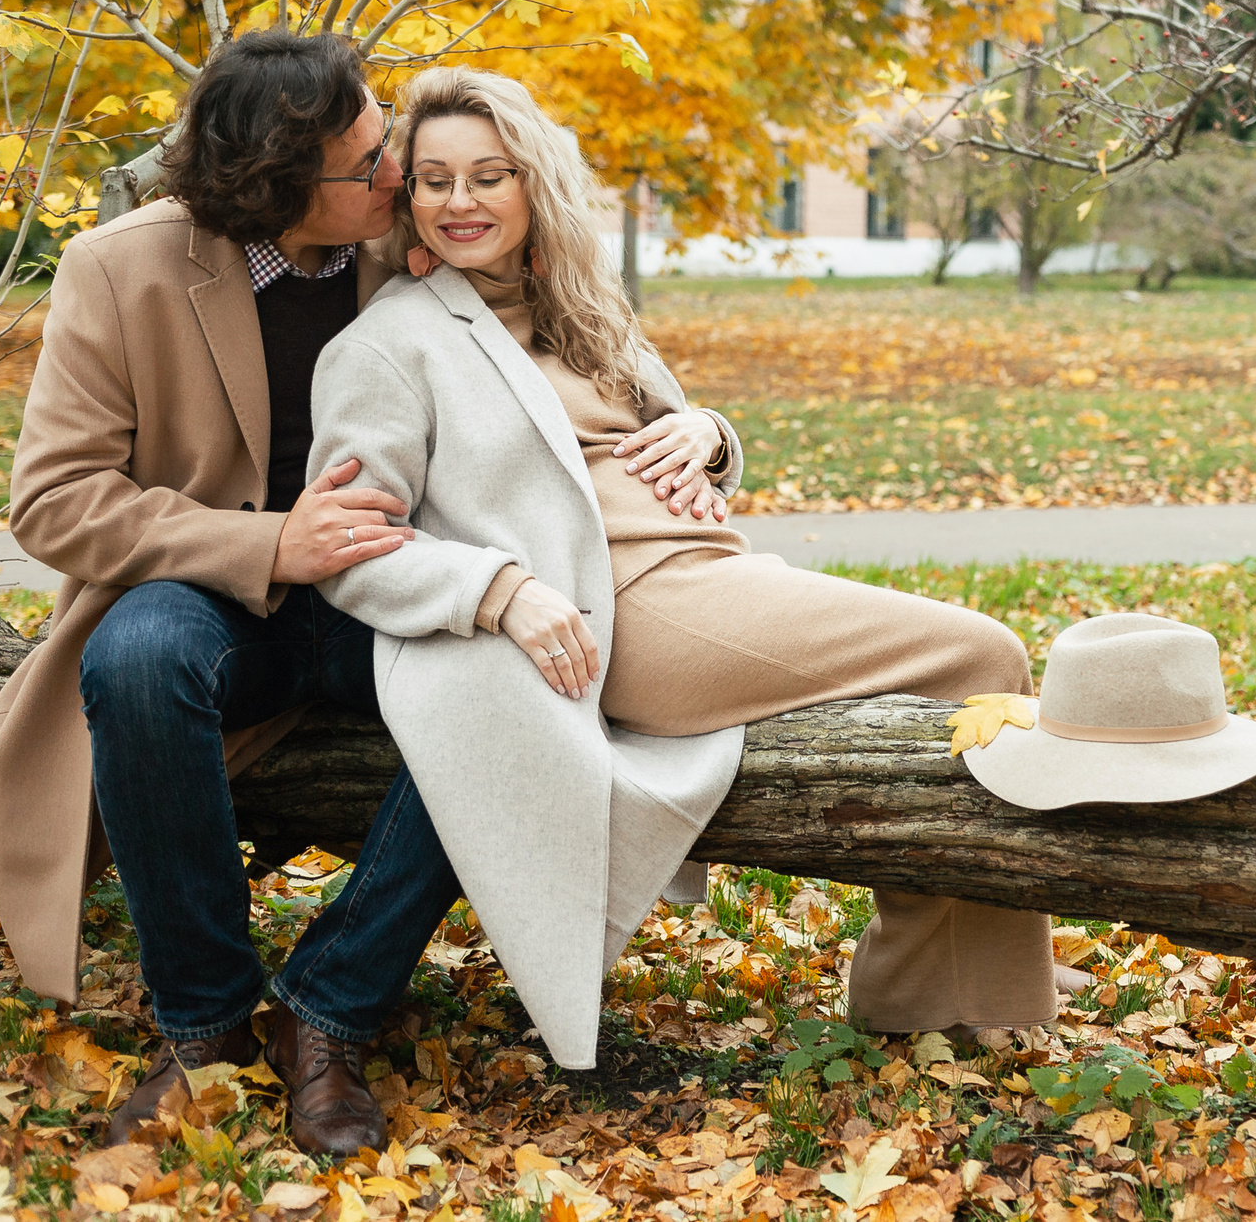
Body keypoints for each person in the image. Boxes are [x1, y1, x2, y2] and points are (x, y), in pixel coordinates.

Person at [306, 66, 1060, 1071]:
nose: (460, 203)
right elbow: (353, 548)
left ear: (535, 183)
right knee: (981, 651)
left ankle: (945, 988)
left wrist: (707, 433)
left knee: (969, 663)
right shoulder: (391, 343)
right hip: (623, 615)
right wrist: (500, 591)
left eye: (489, 176)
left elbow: (674, 435)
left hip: (710, 575)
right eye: (435, 180)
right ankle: (934, 995)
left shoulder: (578, 305)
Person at [0, 31, 462, 1154]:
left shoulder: (421, 245)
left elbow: (590, 356)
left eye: (387, 147)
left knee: (513, 685)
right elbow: (53, 502)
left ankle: (324, 1013)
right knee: (136, 661)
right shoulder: (120, 266)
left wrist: (697, 432)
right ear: (279, 187)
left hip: (393, 591)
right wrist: (269, 546)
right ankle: (203, 1033)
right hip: (208, 594)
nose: (401, 175)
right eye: (370, 164)